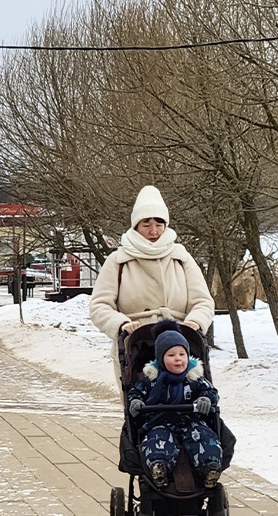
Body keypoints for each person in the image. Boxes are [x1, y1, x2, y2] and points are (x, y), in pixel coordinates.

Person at [89, 184, 215, 380]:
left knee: (188, 404)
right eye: (146, 224)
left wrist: (195, 322)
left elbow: (203, 301)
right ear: (136, 226)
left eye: (159, 223)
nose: (154, 231)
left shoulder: (181, 257)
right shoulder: (118, 261)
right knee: (139, 405)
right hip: (136, 349)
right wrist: (121, 324)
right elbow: (99, 305)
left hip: (179, 347)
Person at [127, 320, 223, 488]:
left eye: (182, 354)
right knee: (157, 440)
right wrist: (135, 401)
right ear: (161, 359)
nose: (178, 359)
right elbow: (136, 392)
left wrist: (205, 400)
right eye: (171, 355)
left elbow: (210, 392)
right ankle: (159, 467)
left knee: (204, 437)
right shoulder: (151, 380)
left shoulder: (195, 379)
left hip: (191, 421)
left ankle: (210, 467)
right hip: (159, 422)